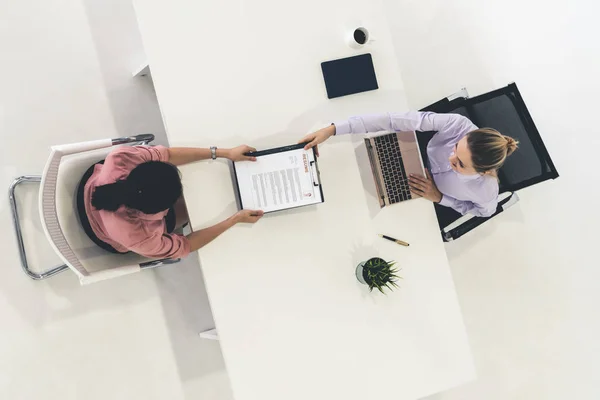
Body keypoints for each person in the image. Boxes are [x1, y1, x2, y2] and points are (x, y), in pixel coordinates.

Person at [299, 111, 518, 217]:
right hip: (410, 153)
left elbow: (484, 212)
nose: (451, 158)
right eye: (455, 148)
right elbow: (395, 120)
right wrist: (333, 129)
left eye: (459, 164)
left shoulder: (486, 189)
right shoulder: (459, 125)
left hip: (420, 196)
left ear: (483, 171)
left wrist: (441, 198)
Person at [78, 144, 264, 259]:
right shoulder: (143, 237)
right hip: (102, 233)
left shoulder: (121, 159)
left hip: (92, 187)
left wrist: (226, 152)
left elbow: (166, 154)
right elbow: (187, 245)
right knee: (198, 211)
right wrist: (234, 220)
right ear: (162, 211)